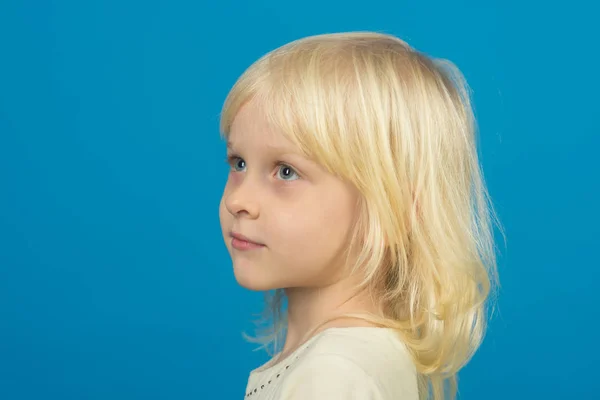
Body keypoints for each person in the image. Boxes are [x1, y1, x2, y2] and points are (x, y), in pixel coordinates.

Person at [218, 31, 503, 400]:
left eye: (286, 171)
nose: (239, 200)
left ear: (389, 210)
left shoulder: (333, 378)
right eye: (238, 163)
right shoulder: (355, 359)